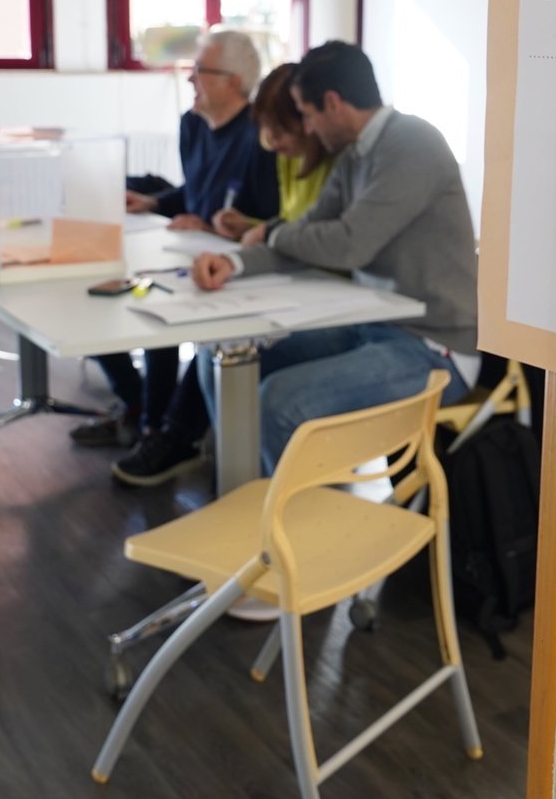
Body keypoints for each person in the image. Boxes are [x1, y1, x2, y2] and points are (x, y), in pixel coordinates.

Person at [189, 40, 480, 477]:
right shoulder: (355, 156)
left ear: (333, 103)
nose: (307, 128)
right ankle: (249, 493)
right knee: (223, 359)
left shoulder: (412, 143)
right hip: (376, 325)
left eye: (307, 114)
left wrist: (273, 232)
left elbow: (348, 244)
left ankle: (288, 516)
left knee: (281, 400)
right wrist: (236, 264)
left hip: (436, 348)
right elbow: (305, 233)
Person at [72, 32, 280, 489]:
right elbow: (194, 192)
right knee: (104, 296)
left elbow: (267, 218)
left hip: (232, 269)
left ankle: (165, 431)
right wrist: (154, 202)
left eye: (200, 71)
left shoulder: (260, 139)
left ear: (234, 82)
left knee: (160, 310)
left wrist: (217, 227)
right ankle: (143, 412)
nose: (190, 79)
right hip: (184, 252)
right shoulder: (192, 126)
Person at [211, 61, 334, 244]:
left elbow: (314, 237)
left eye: (280, 128)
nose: (270, 138)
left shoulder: (334, 162)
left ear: (306, 118)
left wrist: (263, 231)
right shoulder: (288, 156)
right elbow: (288, 223)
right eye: (265, 126)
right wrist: (250, 226)